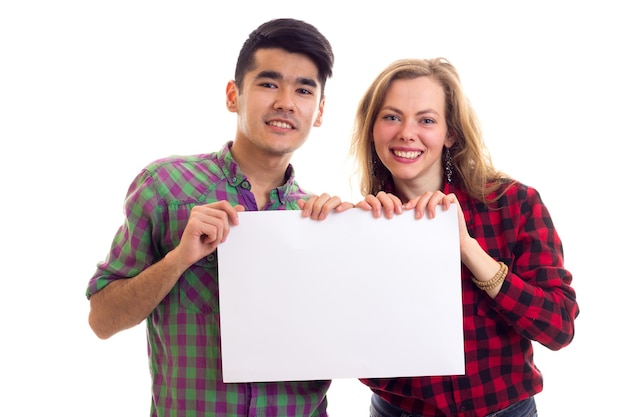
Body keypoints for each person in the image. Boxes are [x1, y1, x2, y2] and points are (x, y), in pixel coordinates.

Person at [86, 18, 351, 417]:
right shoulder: (164, 186)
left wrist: (356, 242)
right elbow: (102, 321)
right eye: (268, 83)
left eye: (303, 89)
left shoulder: (321, 219)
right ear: (233, 95)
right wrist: (179, 259)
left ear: (319, 111)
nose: (285, 102)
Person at [350, 58, 580, 417]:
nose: (406, 133)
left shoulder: (516, 204)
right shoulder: (360, 224)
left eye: (426, 120)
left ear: (450, 133)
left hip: (505, 411)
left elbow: (558, 327)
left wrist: (467, 248)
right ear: (372, 128)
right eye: (391, 116)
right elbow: (353, 352)